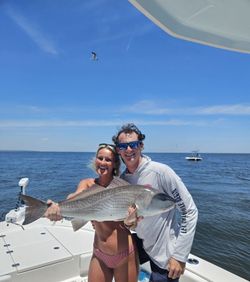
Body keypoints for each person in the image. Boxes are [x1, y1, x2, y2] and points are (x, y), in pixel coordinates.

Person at [112, 123, 198, 282]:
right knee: (112, 250)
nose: (129, 150)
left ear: (141, 146)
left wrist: (179, 256)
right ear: (118, 150)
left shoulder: (161, 172)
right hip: (145, 243)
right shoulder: (122, 181)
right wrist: (129, 223)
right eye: (123, 146)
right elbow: (131, 223)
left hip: (166, 253)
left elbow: (189, 211)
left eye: (133, 144)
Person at [45, 143, 139, 282]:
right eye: (100, 158)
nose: (103, 162)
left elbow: (133, 226)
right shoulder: (87, 184)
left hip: (125, 254)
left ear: (114, 164)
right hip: (99, 254)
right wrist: (57, 208)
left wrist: (131, 222)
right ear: (95, 160)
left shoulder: (123, 188)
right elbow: (75, 196)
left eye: (108, 160)